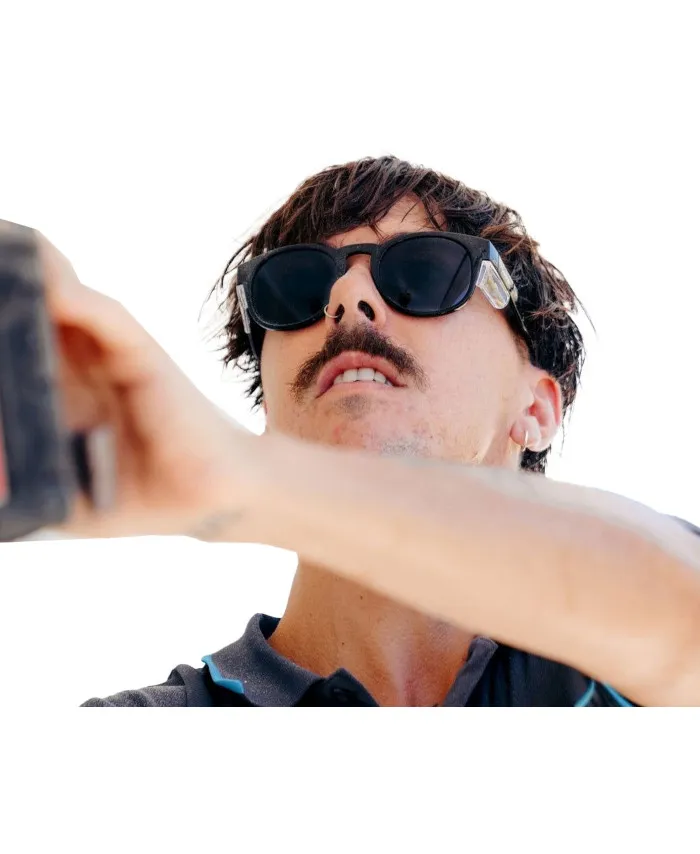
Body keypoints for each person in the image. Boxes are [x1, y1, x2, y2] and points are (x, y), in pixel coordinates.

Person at [27, 155, 699, 706]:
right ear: (269, 412)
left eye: (425, 271)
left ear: (537, 408)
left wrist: (245, 482)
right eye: (296, 287)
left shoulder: (618, 689)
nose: (346, 298)